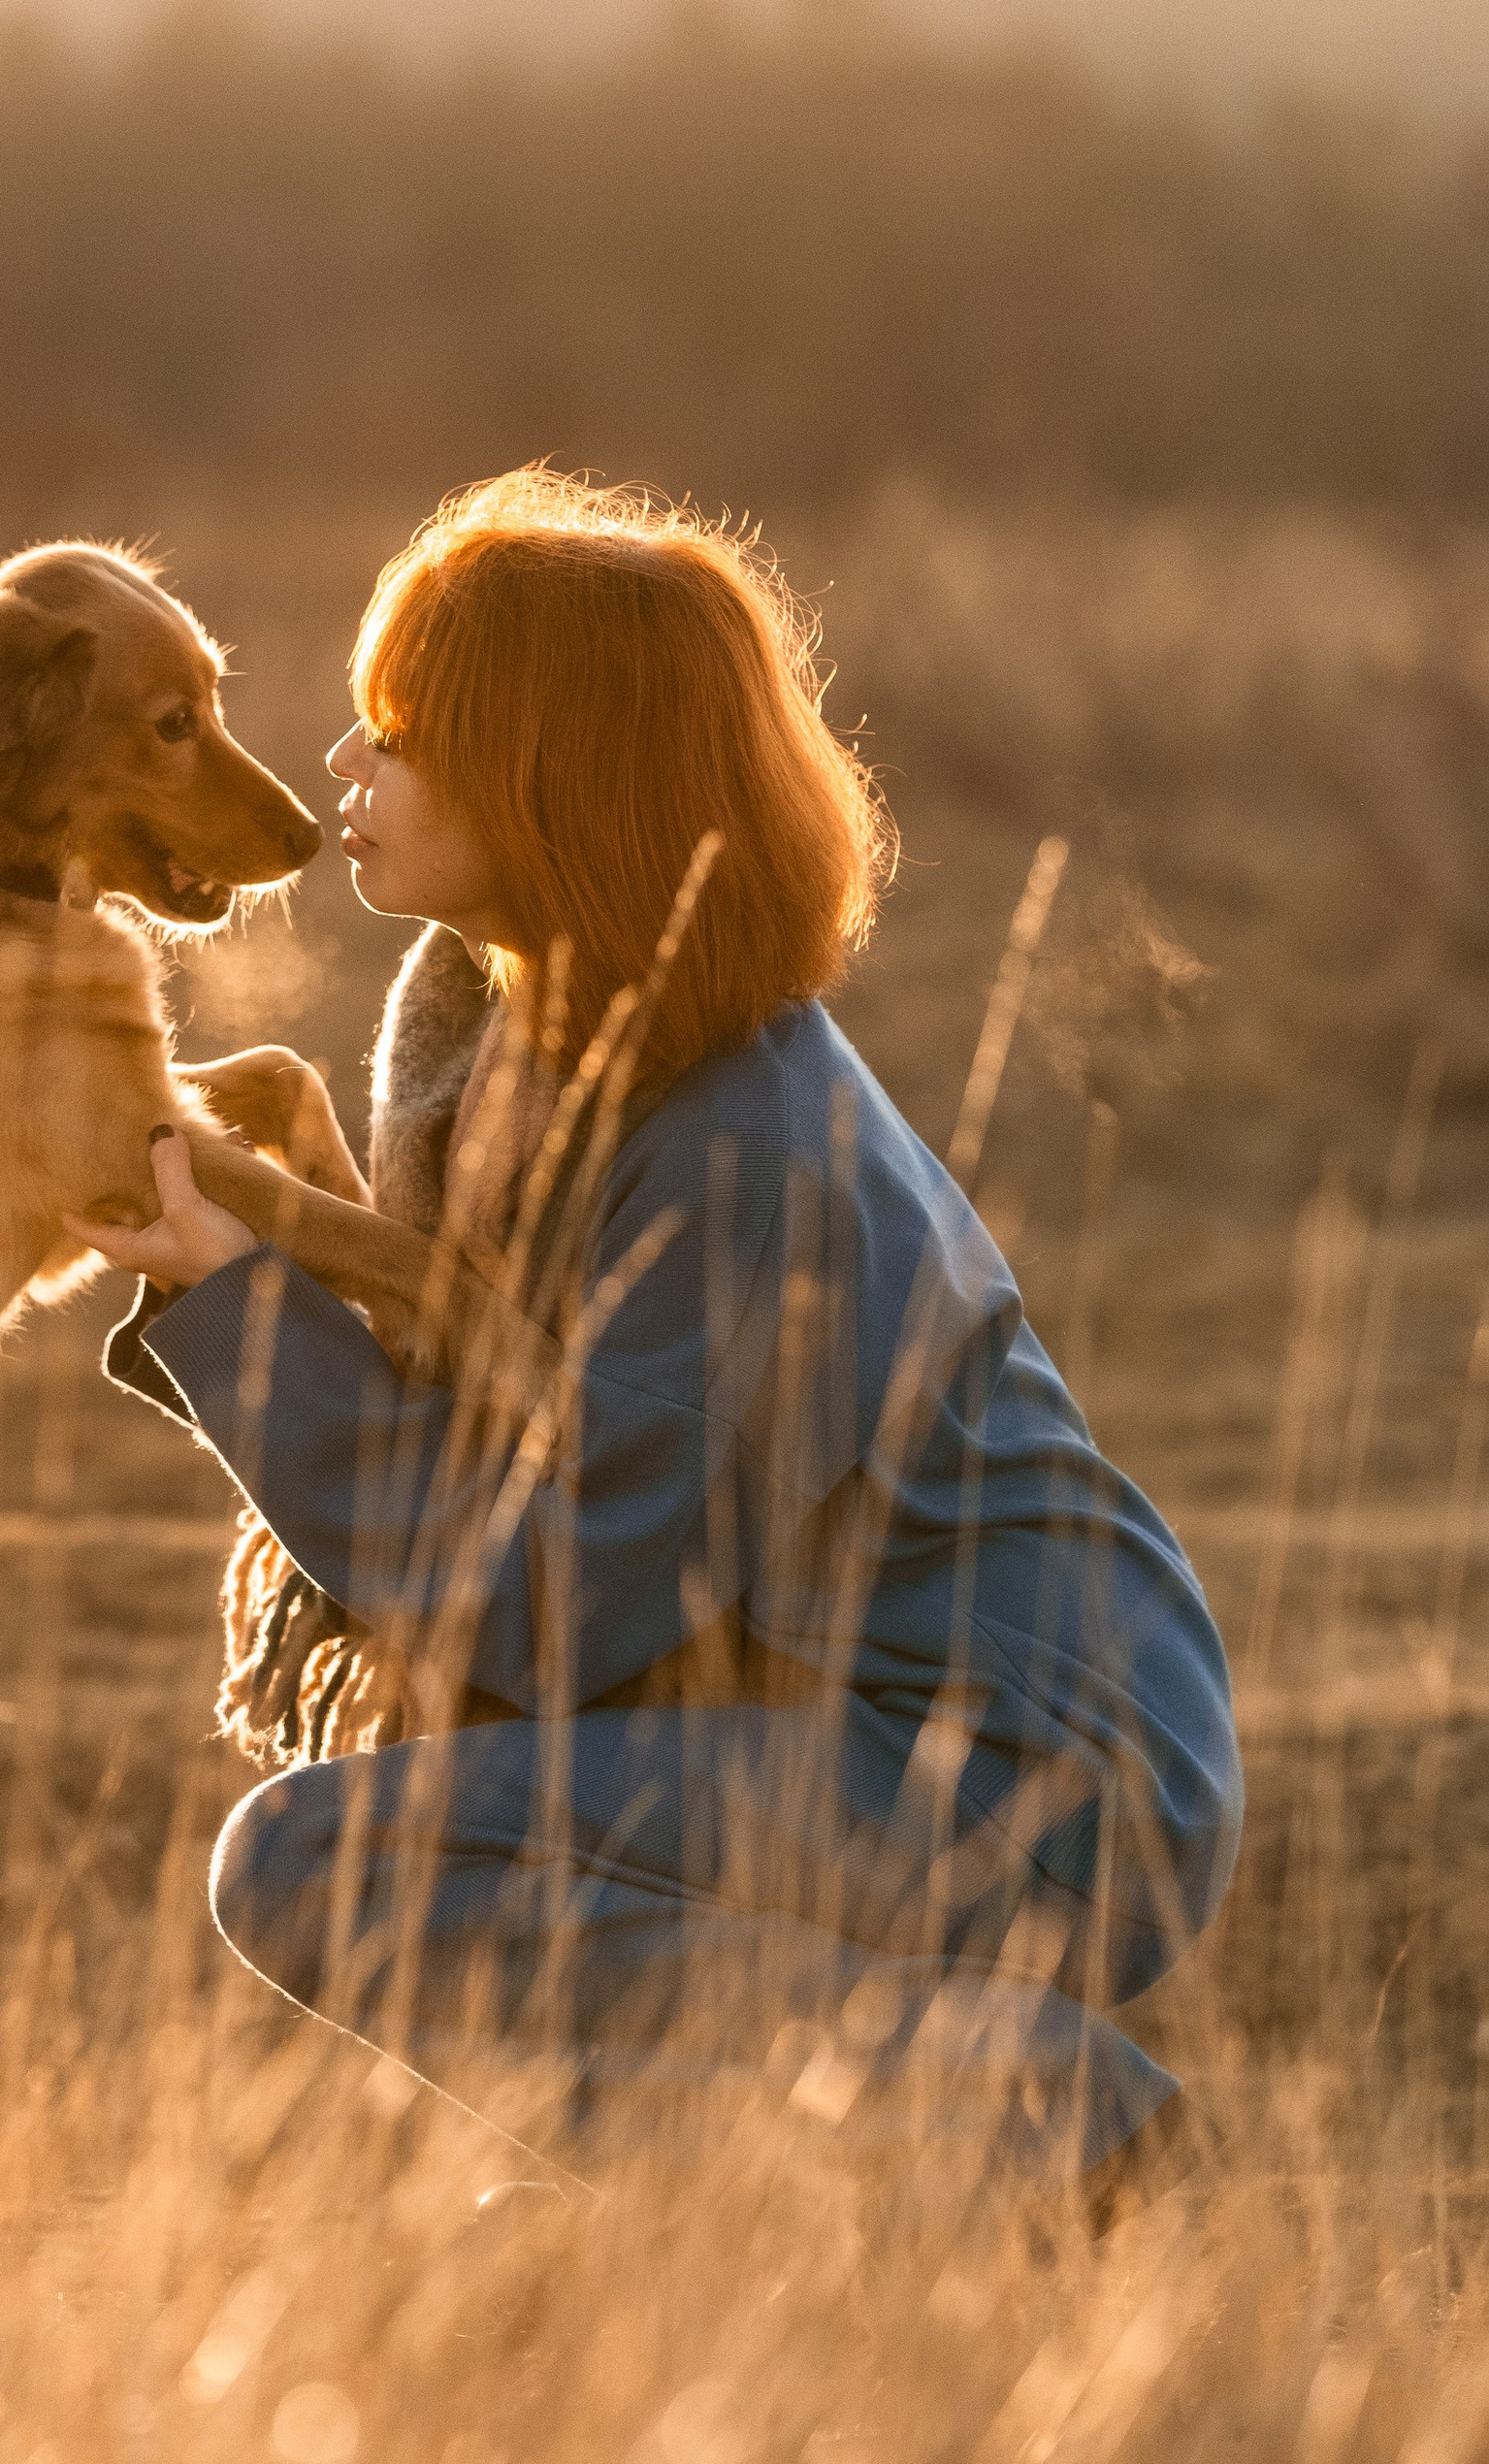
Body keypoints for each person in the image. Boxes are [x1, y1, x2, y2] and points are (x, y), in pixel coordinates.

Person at [67, 468, 1242, 2215]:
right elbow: (491, 1437)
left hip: (1031, 1774)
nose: (342, 771)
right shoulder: (496, 1046)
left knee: (326, 1861)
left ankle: (1055, 2119)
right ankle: (710, 2209)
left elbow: (544, 1599)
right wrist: (252, 1254)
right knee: (378, 1855)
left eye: (397, 734)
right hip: (843, 1716)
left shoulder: (745, 1157)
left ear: (553, 777)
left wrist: (248, 1316)